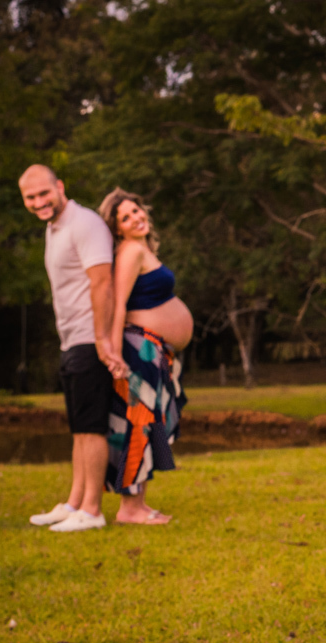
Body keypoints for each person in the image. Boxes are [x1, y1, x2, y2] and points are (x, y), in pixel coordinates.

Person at [19, 164, 122, 533]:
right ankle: (74, 502)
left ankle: (92, 510)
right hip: (71, 340)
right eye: (30, 198)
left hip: (88, 339)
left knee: (92, 427)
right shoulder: (55, 228)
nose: (38, 202)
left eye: (44, 193)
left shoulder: (85, 223)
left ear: (60, 187)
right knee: (79, 427)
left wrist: (102, 339)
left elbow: (102, 284)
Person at [97, 188, 193, 524]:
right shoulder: (129, 252)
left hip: (153, 350)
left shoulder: (139, 249)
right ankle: (129, 509)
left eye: (136, 211)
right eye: (125, 217)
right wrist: (112, 353)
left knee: (147, 423)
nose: (136, 218)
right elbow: (119, 304)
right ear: (117, 228)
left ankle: (139, 504)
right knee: (136, 423)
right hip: (138, 351)